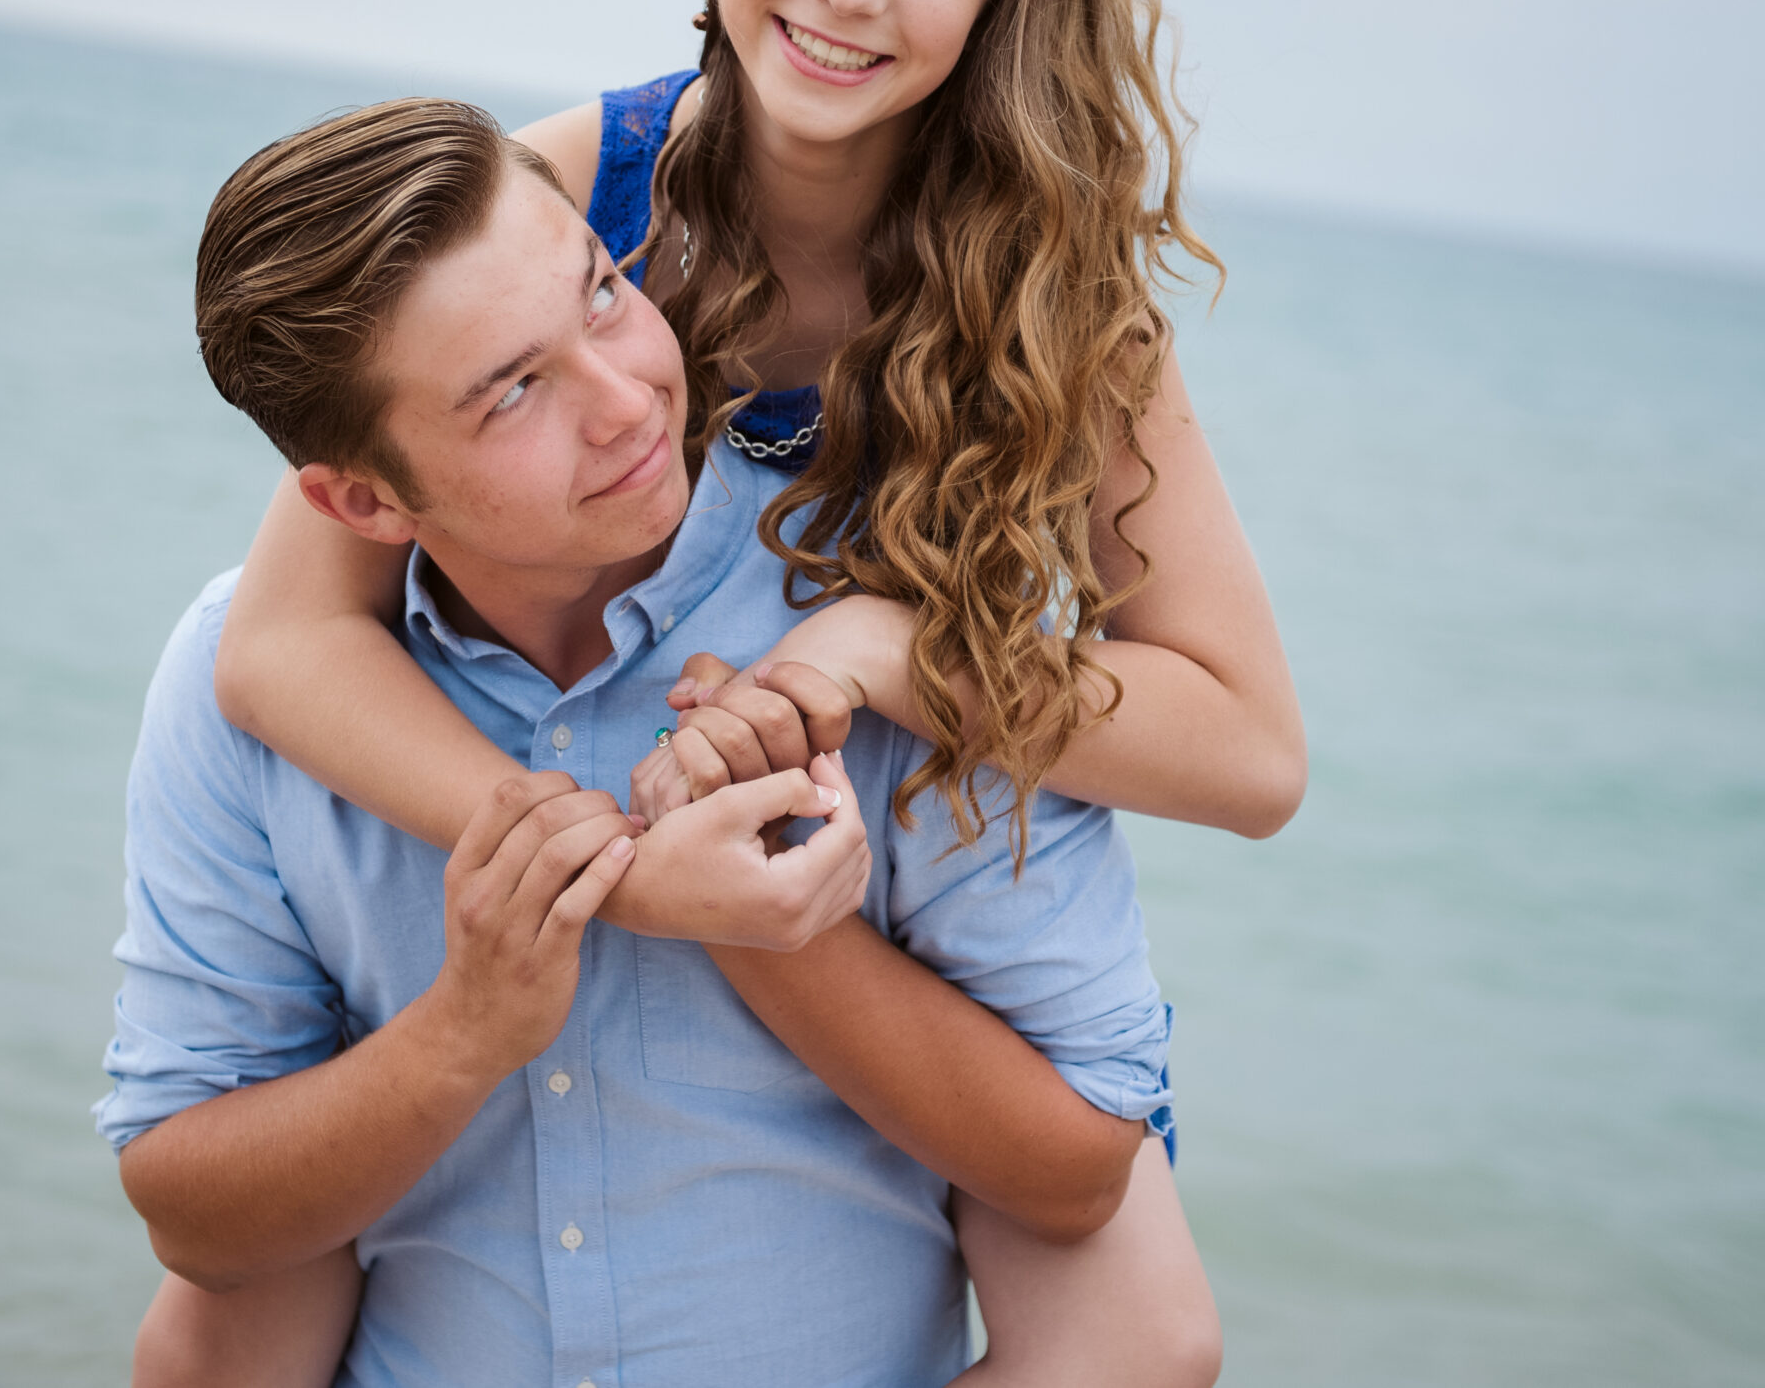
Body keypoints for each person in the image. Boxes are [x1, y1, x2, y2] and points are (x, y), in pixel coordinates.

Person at [151, 0, 1303, 1375]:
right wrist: (604, 877)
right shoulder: (568, 193)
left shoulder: (1063, 308)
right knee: (219, 1313)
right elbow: (282, 641)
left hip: (905, 814)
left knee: (1138, 1319)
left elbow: (1251, 752)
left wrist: (888, 642)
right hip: (652, 801)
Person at [101, 100, 1210, 1388]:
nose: (629, 400)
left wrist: (764, 931)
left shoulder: (880, 623)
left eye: (603, 294)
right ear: (364, 500)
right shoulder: (248, 689)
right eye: (515, 392)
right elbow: (190, 1217)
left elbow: (1080, 1177)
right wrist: (462, 1032)